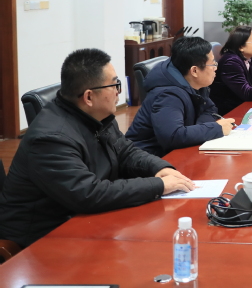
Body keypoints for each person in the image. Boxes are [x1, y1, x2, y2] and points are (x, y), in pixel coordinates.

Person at [0, 49, 195, 248]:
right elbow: (89, 194)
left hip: (85, 220)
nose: (119, 92)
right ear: (89, 97)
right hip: (42, 239)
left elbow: (126, 152)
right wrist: (159, 185)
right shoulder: (50, 139)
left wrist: (160, 168)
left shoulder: (97, 116)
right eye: (115, 85)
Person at [125, 37, 236, 157]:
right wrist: (216, 129)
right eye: (212, 63)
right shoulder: (168, 95)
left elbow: (210, 109)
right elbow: (172, 136)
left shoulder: (194, 83)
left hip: (172, 153)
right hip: (147, 159)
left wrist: (199, 129)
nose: (215, 68)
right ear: (194, 71)